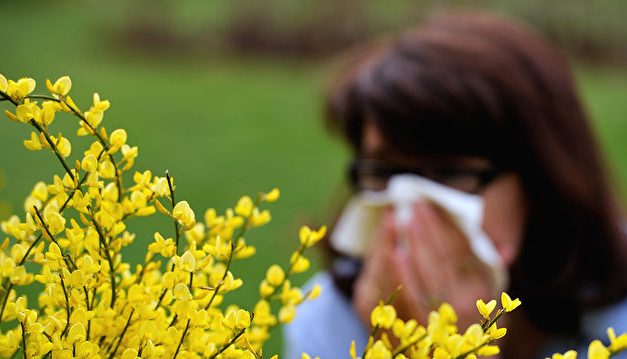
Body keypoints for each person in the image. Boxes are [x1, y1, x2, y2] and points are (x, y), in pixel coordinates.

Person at [284, 10, 627, 359]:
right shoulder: (329, 322)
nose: (412, 203)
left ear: (541, 181)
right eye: (385, 171)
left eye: (451, 173)